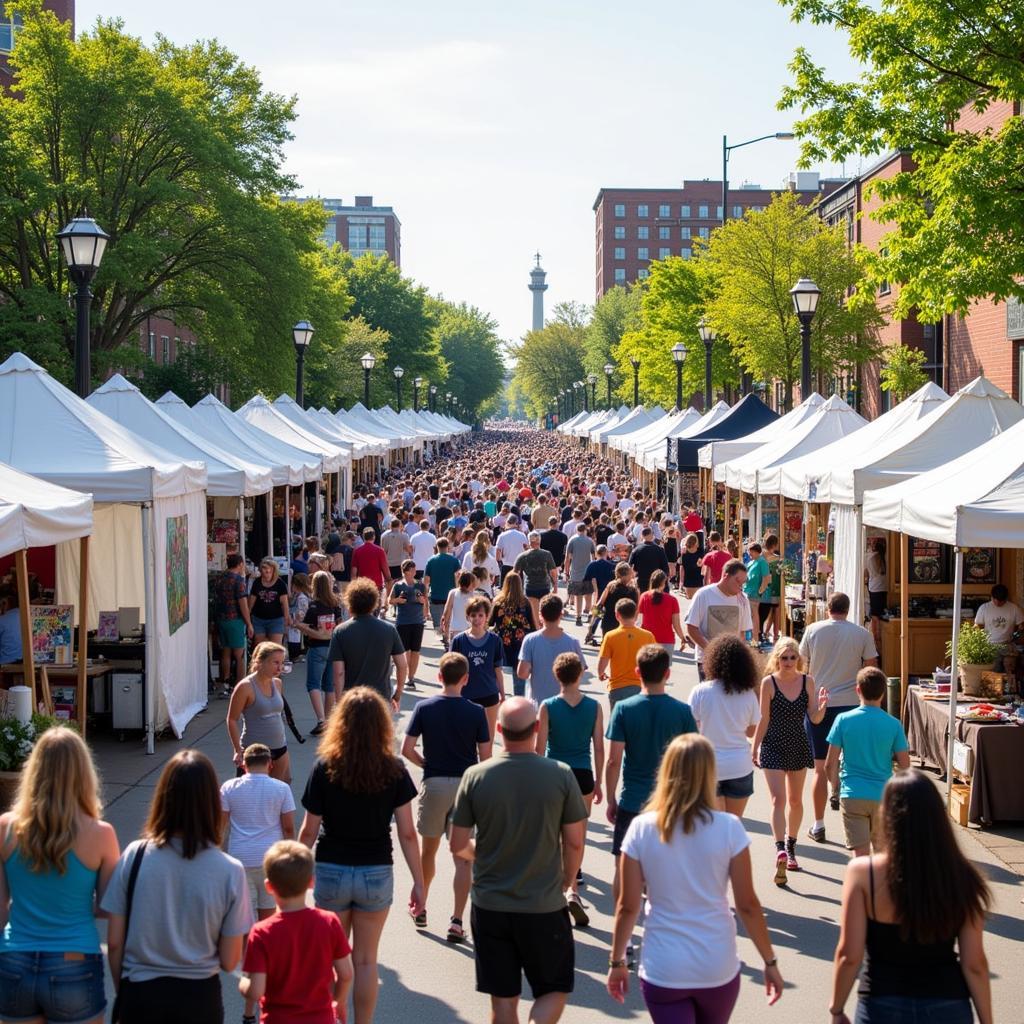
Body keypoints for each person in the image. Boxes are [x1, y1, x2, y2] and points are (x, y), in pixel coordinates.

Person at [607, 734, 783, 1021]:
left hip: (664, 968)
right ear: (709, 773)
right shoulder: (729, 828)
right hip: (717, 965)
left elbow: (627, 906)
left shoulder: (641, 828)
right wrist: (769, 961)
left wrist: (617, 962)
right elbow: (748, 905)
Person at [450, 698, 587, 1024]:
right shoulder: (561, 774)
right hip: (544, 904)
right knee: (553, 990)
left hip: (490, 905)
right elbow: (575, 841)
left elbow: (457, 844)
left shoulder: (475, 775)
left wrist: (481, 855)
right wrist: (567, 880)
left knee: (503, 1003)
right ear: (538, 729)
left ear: (498, 729)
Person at [298, 688, 426, 1024]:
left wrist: (293, 874)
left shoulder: (325, 766)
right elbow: (407, 832)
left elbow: (309, 831)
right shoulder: (394, 769)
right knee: (366, 961)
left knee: (328, 958)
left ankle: (328, 1017)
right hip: (375, 870)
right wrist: (419, 881)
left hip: (331, 868)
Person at [828, 771, 991, 1024]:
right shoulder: (963, 876)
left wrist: (837, 1009)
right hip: (947, 1004)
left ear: (888, 816)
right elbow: (975, 964)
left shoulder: (864, 874)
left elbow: (849, 955)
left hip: (881, 1004)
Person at [103, 751, 250, 1024]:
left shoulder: (135, 856)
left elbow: (114, 943)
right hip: (199, 999)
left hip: (141, 995)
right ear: (211, 804)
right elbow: (231, 961)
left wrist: (125, 990)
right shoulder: (231, 871)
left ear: (162, 798)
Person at [0, 728, 120, 1024]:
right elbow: (110, 906)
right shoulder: (101, 834)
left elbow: (0, 910)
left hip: (15, 959)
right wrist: (74, 904)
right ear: (84, 773)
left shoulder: (5, 827)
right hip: (74, 960)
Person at [402, 652, 492, 943]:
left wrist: (424, 763)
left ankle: (421, 905)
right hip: (465, 786)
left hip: (436, 782)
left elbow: (406, 748)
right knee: (462, 857)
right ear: (466, 679)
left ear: (439, 676)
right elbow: (486, 756)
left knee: (428, 851)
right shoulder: (477, 712)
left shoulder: (424, 707)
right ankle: (456, 920)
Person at [605, 645, 697, 910]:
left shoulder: (623, 709)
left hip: (633, 801)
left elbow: (613, 761)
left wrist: (612, 798)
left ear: (637, 673)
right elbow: (692, 761)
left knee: (623, 867)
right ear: (667, 673)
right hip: (670, 803)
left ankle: (624, 933)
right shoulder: (683, 712)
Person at [239, 841, 354, 1024]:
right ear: (311, 882)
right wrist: (337, 1001)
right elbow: (346, 974)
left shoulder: (261, 932)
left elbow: (256, 990)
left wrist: (244, 983)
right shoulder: (329, 922)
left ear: (269, 887)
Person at [799, 592, 879, 844]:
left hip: (821, 703)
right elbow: (870, 668)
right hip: (852, 704)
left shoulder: (812, 630)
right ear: (848, 608)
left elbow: (803, 665)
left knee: (819, 767)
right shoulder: (861, 634)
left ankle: (818, 824)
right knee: (853, 763)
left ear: (828, 609)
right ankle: (856, 827)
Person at [751, 637, 828, 887]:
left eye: (792, 657)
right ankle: (779, 849)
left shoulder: (808, 682)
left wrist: (824, 708)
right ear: (777, 659)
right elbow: (763, 719)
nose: (788, 662)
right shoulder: (768, 683)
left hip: (797, 743)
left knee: (795, 801)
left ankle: (791, 846)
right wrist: (755, 747)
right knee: (777, 800)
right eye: (783, 658)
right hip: (773, 744)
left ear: (799, 659)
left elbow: (814, 718)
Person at [536, 651, 604, 920]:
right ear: (580, 675)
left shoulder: (548, 706)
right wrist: (598, 781)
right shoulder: (594, 706)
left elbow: (539, 747)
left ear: (556, 676)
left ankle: (561, 885)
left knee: (554, 832)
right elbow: (598, 747)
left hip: (554, 772)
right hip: (583, 773)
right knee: (579, 834)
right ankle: (573, 883)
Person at [824, 667, 910, 857]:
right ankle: (880, 887)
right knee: (882, 855)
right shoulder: (894, 724)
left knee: (860, 857)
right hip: (883, 796)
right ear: (883, 693)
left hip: (852, 794)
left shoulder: (842, 720)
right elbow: (905, 766)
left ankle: (863, 886)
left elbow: (830, 764)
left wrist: (835, 788)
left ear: (858, 690)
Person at [220, 743, 296, 923]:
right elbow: (288, 828)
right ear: (270, 763)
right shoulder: (282, 789)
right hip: (270, 859)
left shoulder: (228, 787)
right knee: (267, 915)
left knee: (243, 916)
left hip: (240, 858)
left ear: (243, 765)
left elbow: (220, 827)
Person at [689, 634, 762, 819]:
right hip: (739, 766)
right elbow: (751, 731)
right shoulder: (748, 695)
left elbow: (691, 728)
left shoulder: (700, 691)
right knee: (733, 827)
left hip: (708, 765)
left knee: (713, 827)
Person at [328, 579, 408, 710]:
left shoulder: (340, 631)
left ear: (350, 602)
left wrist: (339, 702)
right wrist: (398, 693)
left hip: (352, 699)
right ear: (374, 602)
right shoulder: (389, 629)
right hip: (381, 699)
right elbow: (402, 665)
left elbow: (339, 672)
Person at [226, 642, 291, 783]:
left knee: (281, 790)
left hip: (280, 747)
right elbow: (232, 719)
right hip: (254, 752)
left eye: (282, 663)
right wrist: (238, 750)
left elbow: (277, 712)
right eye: (275, 663)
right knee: (251, 794)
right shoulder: (245, 687)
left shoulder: (278, 683)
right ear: (260, 662)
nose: (280, 667)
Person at [684, 559, 754, 681]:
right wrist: (712, 650)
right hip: (707, 660)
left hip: (732, 662)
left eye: (743, 583)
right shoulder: (703, 595)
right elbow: (691, 627)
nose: (740, 587)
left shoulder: (743, 600)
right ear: (725, 576)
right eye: (738, 581)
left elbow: (743, 632)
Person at [451, 596, 506, 740]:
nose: (477, 619)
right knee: (465, 739)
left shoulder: (495, 640)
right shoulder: (459, 640)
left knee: (487, 738)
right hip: (465, 695)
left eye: (481, 615)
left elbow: (497, 669)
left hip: (489, 694)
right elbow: (451, 670)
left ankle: (486, 762)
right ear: (468, 617)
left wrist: (503, 695)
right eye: (473, 615)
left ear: (487, 617)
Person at [517, 594, 587, 704]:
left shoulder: (530, 640)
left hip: (538, 703)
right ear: (561, 614)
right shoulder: (573, 642)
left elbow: (522, 673)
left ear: (540, 615)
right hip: (565, 704)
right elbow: (580, 672)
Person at [298, 570, 344, 735]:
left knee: (313, 684)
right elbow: (340, 624)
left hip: (317, 648)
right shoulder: (335, 604)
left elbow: (308, 628)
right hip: (333, 648)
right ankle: (329, 720)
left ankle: (320, 719)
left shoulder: (314, 606)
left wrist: (299, 624)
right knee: (329, 686)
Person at [598, 598, 656, 708]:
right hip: (641, 687)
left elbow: (603, 660)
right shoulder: (648, 636)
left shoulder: (610, 636)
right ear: (636, 614)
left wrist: (601, 673)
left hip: (617, 687)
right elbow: (654, 662)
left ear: (617, 615)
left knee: (618, 722)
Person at [489, 571, 538, 697]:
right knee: (519, 675)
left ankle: (498, 695)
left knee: (496, 670)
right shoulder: (525, 602)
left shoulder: (499, 602)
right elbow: (533, 625)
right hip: (520, 643)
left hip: (502, 642)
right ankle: (519, 700)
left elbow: (490, 622)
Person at [214, 553, 255, 688]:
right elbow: (243, 603)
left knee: (225, 652)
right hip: (235, 619)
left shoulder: (220, 578)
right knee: (239, 655)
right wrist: (249, 623)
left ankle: (225, 682)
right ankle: (240, 684)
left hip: (221, 618)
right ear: (240, 564)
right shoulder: (238, 580)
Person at [389, 559, 427, 691]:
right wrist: (398, 600)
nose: (414, 572)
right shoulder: (398, 585)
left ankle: (411, 678)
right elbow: (390, 600)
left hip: (417, 622)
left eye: (415, 569)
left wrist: (422, 602)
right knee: (406, 651)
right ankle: (405, 677)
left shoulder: (420, 586)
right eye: (412, 570)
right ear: (405, 571)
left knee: (416, 651)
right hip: (403, 622)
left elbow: (424, 600)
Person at [513, 530, 559, 622]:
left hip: (530, 587)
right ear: (539, 541)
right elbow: (553, 572)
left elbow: (515, 574)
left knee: (534, 614)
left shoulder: (522, 556)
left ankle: (536, 629)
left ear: (529, 542)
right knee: (545, 613)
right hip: (544, 587)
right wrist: (555, 586)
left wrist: (516, 589)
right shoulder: (547, 554)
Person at [637, 570, 685, 655]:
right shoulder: (672, 600)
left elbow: (639, 622)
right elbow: (676, 624)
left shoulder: (644, 597)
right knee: (664, 668)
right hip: (666, 640)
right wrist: (682, 638)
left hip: (647, 640)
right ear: (664, 584)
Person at [973, 583, 1024, 660]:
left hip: (1007, 645)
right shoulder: (984, 608)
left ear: (1006, 598)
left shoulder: (1014, 608)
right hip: (989, 645)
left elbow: (1021, 626)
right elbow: (977, 626)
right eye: (995, 600)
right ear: (991, 597)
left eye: (1000, 601)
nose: (997, 603)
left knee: (1008, 668)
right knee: (993, 670)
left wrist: (1017, 636)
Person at [248, 557, 290, 645]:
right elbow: (251, 603)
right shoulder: (257, 582)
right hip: (259, 619)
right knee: (260, 647)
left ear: (274, 570)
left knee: (275, 646)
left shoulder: (280, 584)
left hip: (276, 619)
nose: (267, 572)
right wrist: (248, 620)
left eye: (269, 570)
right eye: (264, 569)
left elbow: (284, 604)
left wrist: (287, 619)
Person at [424, 537, 461, 632]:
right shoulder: (454, 561)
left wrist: (426, 600)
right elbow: (458, 578)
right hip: (450, 596)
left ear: (437, 546)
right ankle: (446, 638)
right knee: (448, 621)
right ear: (447, 547)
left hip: (435, 596)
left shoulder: (431, 561)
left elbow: (426, 581)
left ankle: (441, 637)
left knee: (437, 625)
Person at [581, 545, 616, 645]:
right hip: (609, 594)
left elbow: (586, 579)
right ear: (606, 553)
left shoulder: (592, 565)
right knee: (608, 616)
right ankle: (606, 636)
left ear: (596, 553)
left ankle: (590, 633)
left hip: (598, 593)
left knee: (596, 615)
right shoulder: (611, 566)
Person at [564, 522, 597, 626]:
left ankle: (578, 616)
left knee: (578, 596)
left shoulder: (572, 540)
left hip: (576, 572)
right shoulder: (590, 541)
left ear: (576, 529)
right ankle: (587, 612)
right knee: (588, 594)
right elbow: (594, 557)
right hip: (588, 572)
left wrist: (566, 571)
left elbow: (567, 558)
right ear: (585, 530)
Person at [743, 543, 772, 644]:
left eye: (750, 552)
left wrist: (760, 591)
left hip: (755, 594)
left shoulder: (762, 562)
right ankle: (751, 639)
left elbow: (766, 578)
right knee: (749, 616)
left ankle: (755, 639)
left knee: (754, 615)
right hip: (747, 592)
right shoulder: (752, 562)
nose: (749, 554)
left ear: (755, 551)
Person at [350, 527, 390, 601]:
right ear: (374, 537)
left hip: (362, 586)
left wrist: (353, 587)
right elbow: (385, 569)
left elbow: (353, 572)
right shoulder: (380, 551)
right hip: (376, 585)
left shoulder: (357, 551)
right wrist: (389, 581)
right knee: (376, 608)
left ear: (363, 537)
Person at [441, 570, 476, 651]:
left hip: (455, 629)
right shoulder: (474, 595)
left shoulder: (453, 593)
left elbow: (447, 612)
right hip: (469, 629)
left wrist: (446, 629)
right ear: (471, 583)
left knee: (454, 655)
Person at [627, 527, 669, 593]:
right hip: (656, 581)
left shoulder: (636, 550)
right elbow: (665, 568)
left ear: (642, 535)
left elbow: (629, 566)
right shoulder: (659, 549)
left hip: (641, 581)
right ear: (651, 535)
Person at [864, 536, 887, 647]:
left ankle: (875, 638)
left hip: (874, 587)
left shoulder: (870, 557)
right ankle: (879, 636)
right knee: (882, 613)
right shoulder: (885, 557)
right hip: (885, 586)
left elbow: (866, 573)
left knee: (875, 614)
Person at [495, 516, 529, 584]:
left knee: (505, 591)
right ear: (516, 523)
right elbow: (527, 550)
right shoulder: (522, 535)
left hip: (506, 565)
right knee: (518, 590)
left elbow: (497, 555)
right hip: (518, 566)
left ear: (507, 522)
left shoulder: (501, 536)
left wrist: (500, 562)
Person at [381, 517, 412, 584]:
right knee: (400, 584)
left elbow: (383, 552)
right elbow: (408, 550)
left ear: (390, 525)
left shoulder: (384, 536)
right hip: (400, 563)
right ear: (399, 525)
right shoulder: (404, 536)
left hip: (388, 564)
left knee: (389, 584)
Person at [679, 532, 704, 599]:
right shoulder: (701, 553)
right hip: (699, 581)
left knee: (691, 602)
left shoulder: (684, 554)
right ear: (696, 543)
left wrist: (681, 582)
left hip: (688, 582)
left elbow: (682, 569)